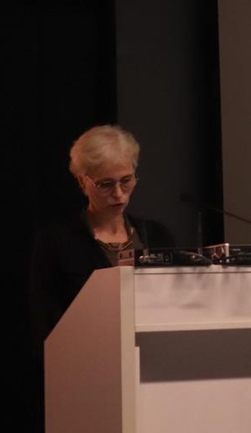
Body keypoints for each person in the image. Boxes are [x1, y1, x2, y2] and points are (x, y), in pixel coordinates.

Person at [29, 124, 173, 351]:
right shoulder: (57, 241)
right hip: (85, 358)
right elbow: (45, 323)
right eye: (106, 184)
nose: (118, 193)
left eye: (126, 180)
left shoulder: (157, 236)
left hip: (154, 356)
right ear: (82, 182)